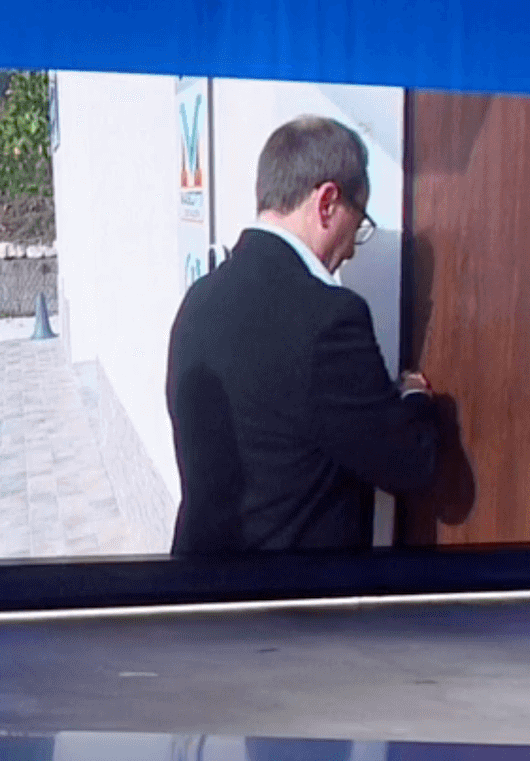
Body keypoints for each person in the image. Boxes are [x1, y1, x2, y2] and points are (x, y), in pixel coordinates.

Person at [166, 116, 439, 554]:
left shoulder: (200, 298)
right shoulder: (330, 319)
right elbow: (408, 464)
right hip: (290, 611)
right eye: (360, 223)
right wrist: (414, 397)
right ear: (328, 202)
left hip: (198, 586)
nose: (351, 248)